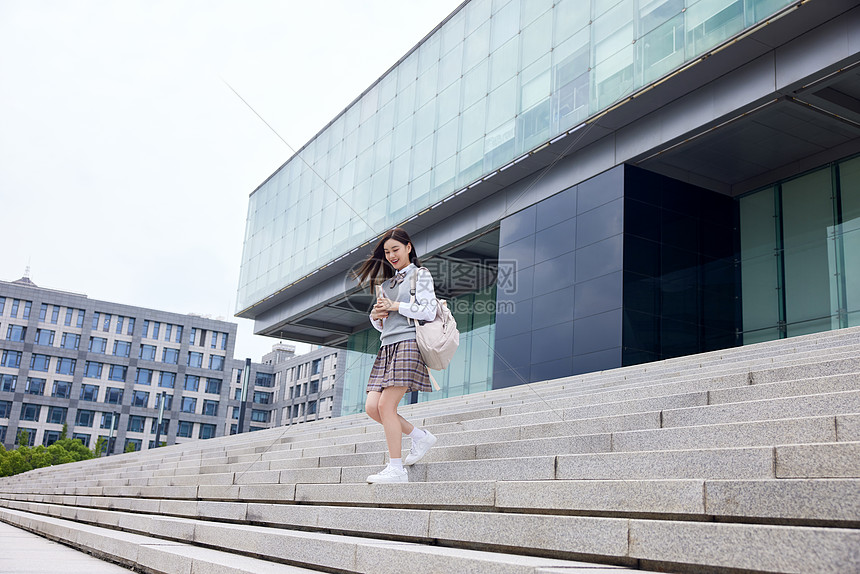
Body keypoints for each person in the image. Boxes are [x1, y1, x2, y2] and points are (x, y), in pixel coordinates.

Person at [354, 227, 438, 483]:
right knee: (372, 407)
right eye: (387, 251)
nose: (391, 255)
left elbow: (430, 311)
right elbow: (383, 324)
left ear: (408, 248)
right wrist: (376, 317)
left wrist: (396, 305)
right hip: (387, 347)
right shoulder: (386, 285)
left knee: (386, 406)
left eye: (396, 249)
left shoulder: (419, 275)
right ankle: (420, 437)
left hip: (408, 344)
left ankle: (396, 469)